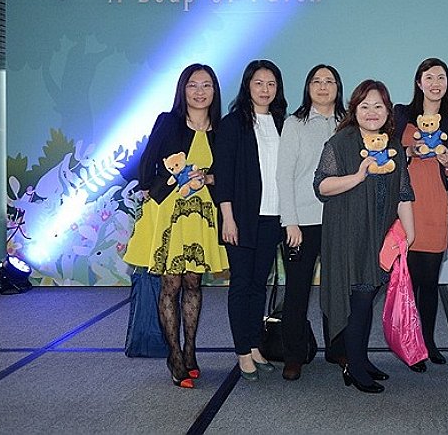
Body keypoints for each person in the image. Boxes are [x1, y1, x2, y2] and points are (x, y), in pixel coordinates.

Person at [124, 63, 229, 388]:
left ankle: (190, 351)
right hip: (169, 213)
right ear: (183, 89)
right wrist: (154, 185)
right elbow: (147, 162)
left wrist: (207, 178)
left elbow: (228, 172)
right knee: (171, 284)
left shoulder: (222, 128)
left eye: (207, 85)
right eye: (193, 85)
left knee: (194, 283)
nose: (200, 91)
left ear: (215, 91)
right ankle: (175, 356)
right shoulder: (168, 121)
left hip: (202, 215)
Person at [314, 80, 415, 394]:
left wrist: (410, 233)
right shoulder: (340, 143)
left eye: (378, 106)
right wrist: (358, 176)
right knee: (359, 300)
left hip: (381, 236)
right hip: (348, 235)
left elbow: (403, 192)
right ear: (354, 110)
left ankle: (361, 359)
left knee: (368, 298)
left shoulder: (393, 145)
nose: (372, 112)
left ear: (387, 110)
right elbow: (321, 186)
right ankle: (355, 367)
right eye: (365, 106)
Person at [213, 59, 287, 381]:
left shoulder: (283, 123)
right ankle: (242, 351)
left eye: (271, 84)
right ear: (247, 86)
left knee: (259, 284)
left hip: (273, 217)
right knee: (241, 285)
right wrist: (227, 218)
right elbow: (224, 175)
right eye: (259, 83)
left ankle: (255, 345)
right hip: (241, 218)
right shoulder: (233, 124)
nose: (265, 89)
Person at [276, 64, 347, 381]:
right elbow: (284, 175)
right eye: (316, 81)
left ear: (338, 87)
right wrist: (289, 221)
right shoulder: (295, 124)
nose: (323, 86)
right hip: (302, 223)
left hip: (339, 221)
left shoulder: (348, 123)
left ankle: (337, 348)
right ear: (307, 87)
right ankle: (293, 356)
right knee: (297, 292)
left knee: (337, 291)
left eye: (329, 81)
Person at [393, 58, 448, 372]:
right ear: (419, 82)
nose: (436, 83)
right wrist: (409, 152)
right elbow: (388, 155)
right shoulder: (401, 114)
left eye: (441, 77)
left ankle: (427, 341)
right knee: (407, 281)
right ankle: (410, 344)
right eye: (429, 77)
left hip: (434, 203)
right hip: (404, 205)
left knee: (429, 282)